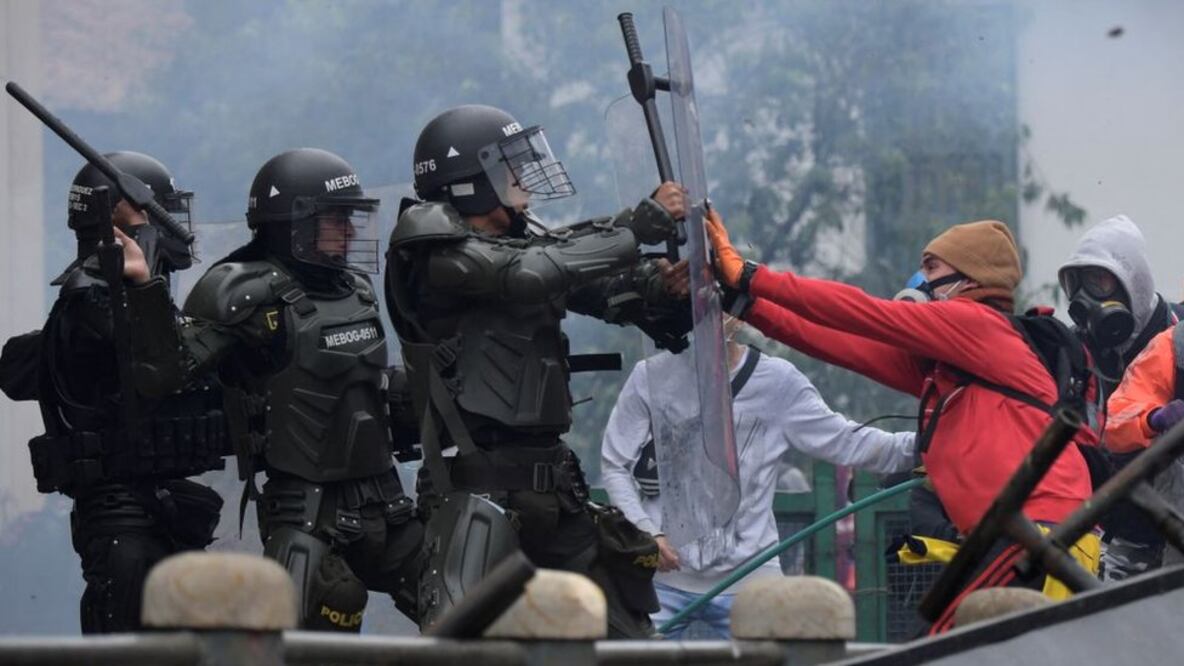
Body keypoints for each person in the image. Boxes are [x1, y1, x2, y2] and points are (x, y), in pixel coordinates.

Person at [705, 213, 1100, 633]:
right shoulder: (951, 366)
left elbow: (862, 312)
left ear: (970, 279)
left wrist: (747, 275)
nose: (918, 280)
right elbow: (841, 343)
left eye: (931, 268)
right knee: (952, 645)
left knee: (944, 645)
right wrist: (745, 305)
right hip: (1015, 535)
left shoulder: (977, 324)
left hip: (1040, 529)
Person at [384, 104, 692, 637]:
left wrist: (664, 288)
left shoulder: (523, 243)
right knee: (461, 641)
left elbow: (596, 285)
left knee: (626, 632)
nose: (523, 178)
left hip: (555, 485)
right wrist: (634, 227)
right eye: (509, 167)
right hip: (478, 487)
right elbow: (527, 274)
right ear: (470, 184)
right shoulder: (434, 252)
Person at [120, 148, 422, 632]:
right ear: (294, 225)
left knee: (466, 595)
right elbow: (163, 374)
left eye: (352, 217)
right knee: (321, 616)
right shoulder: (242, 292)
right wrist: (143, 287)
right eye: (335, 218)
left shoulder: (355, 289)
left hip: (386, 500)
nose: (349, 230)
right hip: (306, 511)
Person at [0, 152, 226, 633]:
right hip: (121, 523)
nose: (175, 226)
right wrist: (142, 281)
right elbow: (163, 369)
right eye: (159, 213)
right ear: (122, 222)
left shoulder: (131, 298)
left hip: (160, 507)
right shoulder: (91, 301)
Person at [600, 314, 915, 638]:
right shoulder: (651, 375)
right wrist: (645, 532)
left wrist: (927, 442)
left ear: (738, 315)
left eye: (718, 304)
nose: (705, 316)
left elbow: (847, 442)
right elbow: (615, 464)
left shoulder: (776, 381)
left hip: (751, 576)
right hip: (662, 578)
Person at [1059, 214, 1179, 581]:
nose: (1088, 299)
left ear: (1133, 280)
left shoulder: (1178, 336)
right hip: (1115, 527)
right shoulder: (1074, 351)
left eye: (1099, 281)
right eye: (1078, 286)